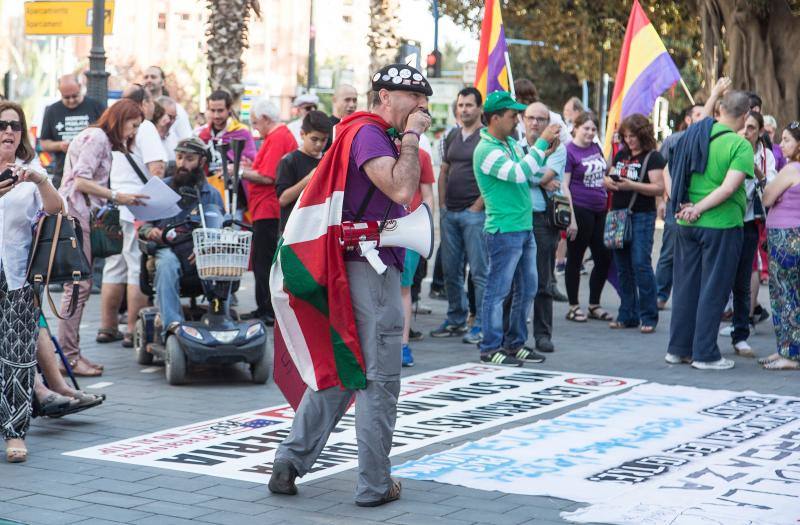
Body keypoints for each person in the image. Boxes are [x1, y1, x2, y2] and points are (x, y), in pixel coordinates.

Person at [268, 63, 432, 506]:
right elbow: (400, 189)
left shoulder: (361, 133)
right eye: (413, 98)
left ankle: (289, 461)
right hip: (371, 270)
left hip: (356, 267)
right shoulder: (370, 135)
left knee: (344, 371)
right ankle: (375, 485)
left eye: (424, 100)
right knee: (380, 379)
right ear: (384, 96)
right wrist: (413, 138)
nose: (422, 107)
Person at [57, 99, 149, 377]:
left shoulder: (96, 137)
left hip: (77, 215)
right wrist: (116, 196)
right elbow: (80, 180)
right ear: (121, 120)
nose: (132, 133)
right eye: (132, 126)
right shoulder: (97, 138)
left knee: (79, 287)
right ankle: (68, 357)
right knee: (79, 287)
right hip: (76, 215)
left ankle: (70, 354)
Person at [665, 90, 754, 370]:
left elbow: (668, 166)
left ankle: (678, 349)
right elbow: (729, 188)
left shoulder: (696, 133)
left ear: (718, 110)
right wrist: (700, 208)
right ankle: (705, 354)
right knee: (713, 289)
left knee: (685, 287)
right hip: (720, 224)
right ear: (745, 115)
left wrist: (687, 206)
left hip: (685, 222)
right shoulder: (740, 146)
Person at [474, 91, 559, 367]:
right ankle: (490, 347)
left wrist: (543, 152)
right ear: (495, 118)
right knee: (497, 291)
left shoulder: (509, 142)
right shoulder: (486, 150)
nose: (518, 120)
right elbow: (520, 174)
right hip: (504, 230)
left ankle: (515, 343)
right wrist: (542, 143)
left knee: (527, 288)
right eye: (513, 115)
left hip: (521, 227)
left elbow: (528, 172)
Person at [0, 101, 63, 462]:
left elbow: (56, 209)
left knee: (19, 356)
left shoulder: (29, 170)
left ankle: (15, 432)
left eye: (16, 126)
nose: (9, 131)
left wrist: (40, 180)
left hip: (19, 275)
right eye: (2, 125)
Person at [97, 85, 167, 348]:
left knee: (115, 265)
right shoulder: (145, 127)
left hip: (115, 203)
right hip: (139, 205)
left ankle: (107, 326)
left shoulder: (113, 126)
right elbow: (157, 168)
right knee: (137, 266)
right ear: (144, 103)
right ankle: (132, 330)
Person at [138, 139, 224, 335]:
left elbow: (220, 230)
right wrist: (150, 232)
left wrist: (206, 247)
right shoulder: (161, 188)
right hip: (166, 248)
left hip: (199, 251)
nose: (182, 164)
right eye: (179, 158)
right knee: (167, 263)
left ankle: (220, 320)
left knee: (220, 264)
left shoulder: (211, 193)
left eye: (189, 159)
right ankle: (173, 325)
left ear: (201, 161)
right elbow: (143, 227)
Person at [431, 87, 486, 344]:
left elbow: (492, 178)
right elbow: (444, 171)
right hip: (450, 214)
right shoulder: (452, 135)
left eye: (469, 105)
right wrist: (442, 206)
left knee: (479, 272)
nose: (464, 109)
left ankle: (483, 324)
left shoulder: (486, 137)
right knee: (451, 271)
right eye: (461, 105)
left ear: (480, 109)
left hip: (474, 215)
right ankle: (456, 319)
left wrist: (477, 206)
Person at [721, 111, 775, 357]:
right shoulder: (727, 149)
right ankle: (706, 332)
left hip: (749, 223)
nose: (746, 132)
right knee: (719, 278)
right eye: (743, 127)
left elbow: (772, 190)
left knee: (743, 280)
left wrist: (756, 170)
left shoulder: (766, 157)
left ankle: (740, 333)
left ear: (760, 131)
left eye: (752, 128)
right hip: (724, 221)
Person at [605, 114, 666, 333]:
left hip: (641, 215)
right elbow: (609, 175)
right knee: (622, 267)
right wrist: (609, 182)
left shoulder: (653, 157)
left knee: (640, 263)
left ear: (643, 134)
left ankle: (648, 315)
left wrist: (632, 185)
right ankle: (627, 313)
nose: (629, 140)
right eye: (626, 136)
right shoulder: (621, 154)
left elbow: (659, 188)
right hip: (618, 215)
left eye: (633, 136)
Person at [242, 99, 296, 325]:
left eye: (255, 123)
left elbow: (267, 176)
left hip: (268, 207)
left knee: (264, 261)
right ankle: (263, 306)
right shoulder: (278, 136)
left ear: (265, 119)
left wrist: (242, 172)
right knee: (263, 260)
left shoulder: (277, 137)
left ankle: (266, 308)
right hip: (266, 207)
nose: (255, 128)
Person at [523, 102, 566, 353]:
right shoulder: (515, 147)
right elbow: (522, 175)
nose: (535, 123)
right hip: (518, 218)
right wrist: (529, 174)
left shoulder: (558, 149)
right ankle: (513, 335)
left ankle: (542, 334)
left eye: (541, 119)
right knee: (515, 281)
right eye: (531, 118)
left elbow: (539, 177)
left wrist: (524, 173)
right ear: (523, 120)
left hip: (542, 220)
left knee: (543, 280)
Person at [561, 112, 612, 323]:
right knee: (575, 258)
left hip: (600, 210)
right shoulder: (568, 151)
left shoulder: (595, 147)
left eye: (593, 129)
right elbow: (564, 185)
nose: (590, 132)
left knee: (604, 258)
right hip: (580, 210)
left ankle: (594, 304)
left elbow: (604, 171)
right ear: (576, 127)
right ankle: (573, 306)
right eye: (586, 128)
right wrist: (571, 218)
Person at [656, 103, 706, 309]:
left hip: (702, 205)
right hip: (675, 205)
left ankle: (691, 298)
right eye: (697, 114)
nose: (702, 118)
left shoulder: (711, 142)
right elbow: (660, 168)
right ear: (688, 119)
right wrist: (660, 199)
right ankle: (659, 295)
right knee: (669, 252)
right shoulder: (673, 140)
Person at [759, 121, 800, 370]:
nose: (781, 144)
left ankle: (790, 354)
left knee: (784, 294)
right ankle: (785, 348)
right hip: (793, 235)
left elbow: (766, 198)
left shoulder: (791, 168)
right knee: (790, 293)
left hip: (785, 237)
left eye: (787, 140)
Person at [39, 74, 105, 188]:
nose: (71, 100)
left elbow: (108, 135)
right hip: (63, 174)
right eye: (66, 97)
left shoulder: (95, 106)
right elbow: (44, 143)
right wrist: (60, 145)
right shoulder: (52, 110)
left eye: (75, 96)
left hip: (93, 175)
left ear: (80, 87)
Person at [402, 147, 435, 367]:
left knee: (403, 288)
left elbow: (428, 195)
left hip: (409, 229)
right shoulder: (376, 146)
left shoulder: (421, 155)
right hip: (381, 229)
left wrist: (425, 228)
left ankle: (403, 345)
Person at [275, 110, 332, 232]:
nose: (319, 144)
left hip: (317, 229)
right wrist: (309, 179)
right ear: (302, 134)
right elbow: (283, 199)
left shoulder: (327, 160)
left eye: (323, 140)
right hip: (293, 232)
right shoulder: (289, 161)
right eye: (314, 139)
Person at [142, 66, 193, 143]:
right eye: (146, 77)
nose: (149, 80)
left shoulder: (176, 109)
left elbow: (186, 138)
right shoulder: (140, 107)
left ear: (163, 82)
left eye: (153, 77)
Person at [513, 79, 571, 144]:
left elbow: (567, 141)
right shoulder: (516, 119)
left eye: (516, 98)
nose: (514, 102)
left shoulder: (553, 119)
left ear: (527, 98)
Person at [154, 96, 179, 161]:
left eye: (175, 118)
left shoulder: (173, 137)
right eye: (170, 117)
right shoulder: (146, 136)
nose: (172, 121)